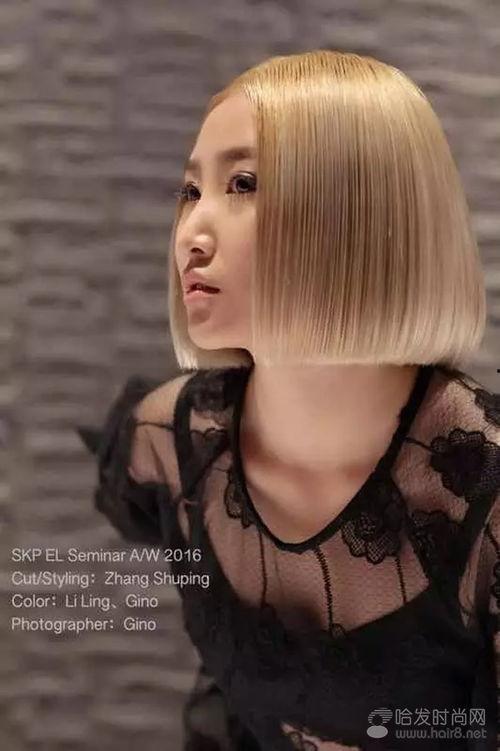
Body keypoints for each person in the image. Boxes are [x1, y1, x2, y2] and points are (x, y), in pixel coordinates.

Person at [77, 49, 500, 750]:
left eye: (242, 183)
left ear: (359, 214)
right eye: (191, 191)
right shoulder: (170, 442)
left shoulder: (484, 500)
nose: (191, 233)